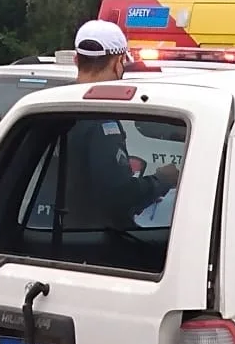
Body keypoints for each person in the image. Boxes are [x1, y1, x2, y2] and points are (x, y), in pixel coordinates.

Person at [63, 20, 179, 230]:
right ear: (118, 62)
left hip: (53, 232)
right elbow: (118, 196)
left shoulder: (50, 106)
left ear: (76, 59)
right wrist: (161, 180)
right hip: (92, 240)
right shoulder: (99, 119)